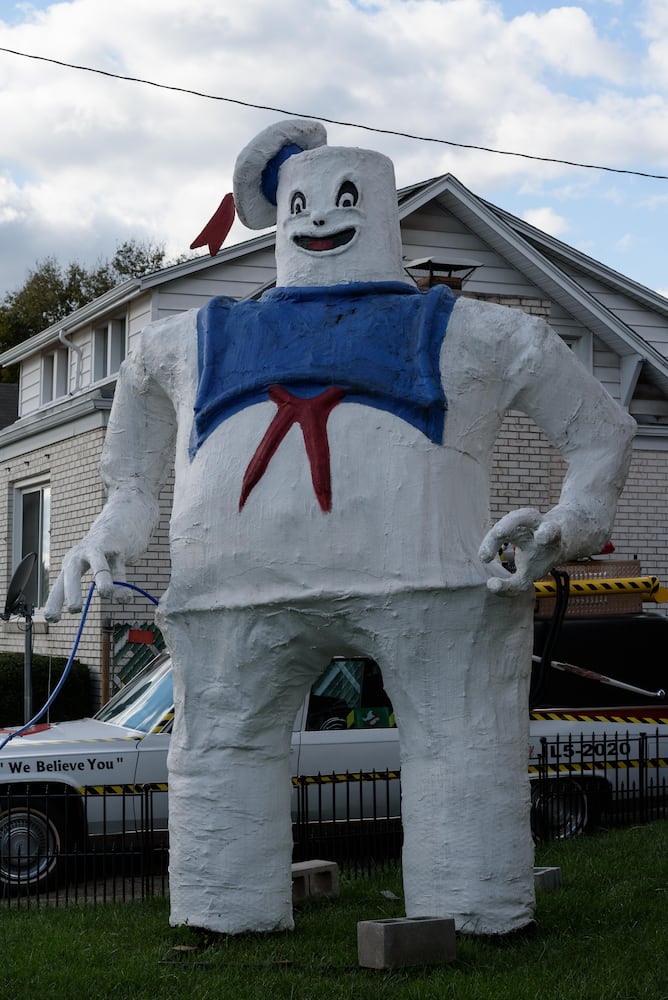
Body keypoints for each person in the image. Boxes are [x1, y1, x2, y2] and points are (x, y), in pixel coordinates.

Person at [45, 119, 635, 935]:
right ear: (280, 212)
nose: (321, 219)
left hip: (432, 586)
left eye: (346, 199)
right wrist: (113, 520)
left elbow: (601, 428)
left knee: (459, 747)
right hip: (237, 598)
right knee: (223, 754)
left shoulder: (471, 327)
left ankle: (471, 907)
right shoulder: (194, 339)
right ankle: (226, 912)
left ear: (384, 211)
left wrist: (567, 524)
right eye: (303, 202)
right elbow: (138, 429)